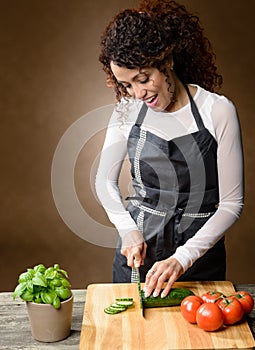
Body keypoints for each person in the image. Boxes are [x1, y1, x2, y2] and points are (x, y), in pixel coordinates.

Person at [95, 0, 244, 299]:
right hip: (139, 253)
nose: (138, 94)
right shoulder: (127, 109)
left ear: (167, 62)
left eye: (143, 78)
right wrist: (128, 230)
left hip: (199, 259)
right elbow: (104, 181)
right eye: (126, 85)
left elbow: (231, 204)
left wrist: (183, 258)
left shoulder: (217, 111)